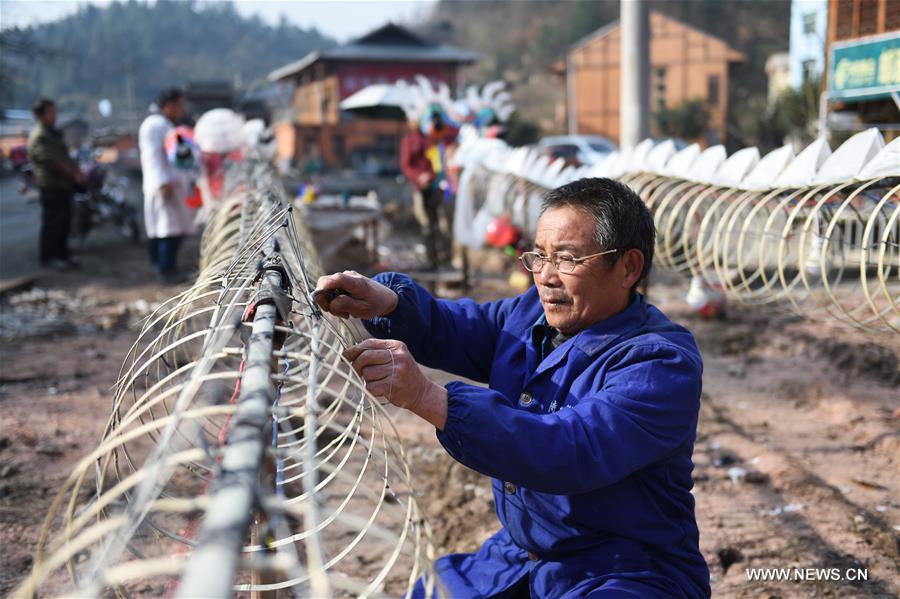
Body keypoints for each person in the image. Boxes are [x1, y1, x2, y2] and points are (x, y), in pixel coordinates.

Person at [315, 177, 710, 598]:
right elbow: (460, 327)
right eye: (539, 257)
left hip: (624, 570)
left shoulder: (658, 363)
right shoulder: (529, 316)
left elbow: (570, 449)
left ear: (629, 267)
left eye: (568, 259)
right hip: (519, 557)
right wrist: (388, 303)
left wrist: (429, 398)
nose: (546, 277)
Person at [139, 88, 194, 283]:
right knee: (166, 229)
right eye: (179, 105)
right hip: (164, 184)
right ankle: (165, 269)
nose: (182, 109)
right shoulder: (155, 125)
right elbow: (152, 157)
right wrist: (162, 182)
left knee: (167, 227)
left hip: (171, 183)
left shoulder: (165, 124)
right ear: (169, 105)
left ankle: (165, 267)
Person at [27, 98, 83, 270]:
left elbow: (65, 157)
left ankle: (62, 254)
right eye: (50, 112)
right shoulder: (39, 135)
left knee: (64, 222)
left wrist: (76, 172)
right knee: (53, 223)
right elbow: (52, 162)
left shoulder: (52, 133)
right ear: (40, 115)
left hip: (63, 185)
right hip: (51, 185)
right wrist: (73, 174)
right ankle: (49, 257)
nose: (55, 115)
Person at [399, 108, 457, 271]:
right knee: (426, 224)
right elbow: (406, 165)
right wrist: (419, 178)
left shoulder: (434, 140)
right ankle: (431, 260)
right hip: (419, 188)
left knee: (442, 223)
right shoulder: (409, 141)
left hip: (436, 187)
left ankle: (446, 259)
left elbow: (439, 163)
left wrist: (431, 176)